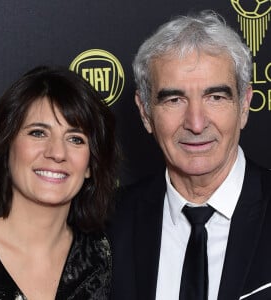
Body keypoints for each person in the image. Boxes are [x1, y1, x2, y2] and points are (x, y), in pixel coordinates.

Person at [107, 10, 271, 300]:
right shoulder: (108, 223)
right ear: (145, 112)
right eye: (174, 99)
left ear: (244, 105)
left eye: (216, 97)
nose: (196, 123)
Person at [0, 66, 118, 299]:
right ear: (6, 144)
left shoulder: (105, 257)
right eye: (38, 133)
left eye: (75, 139)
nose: (57, 153)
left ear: (91, 164)